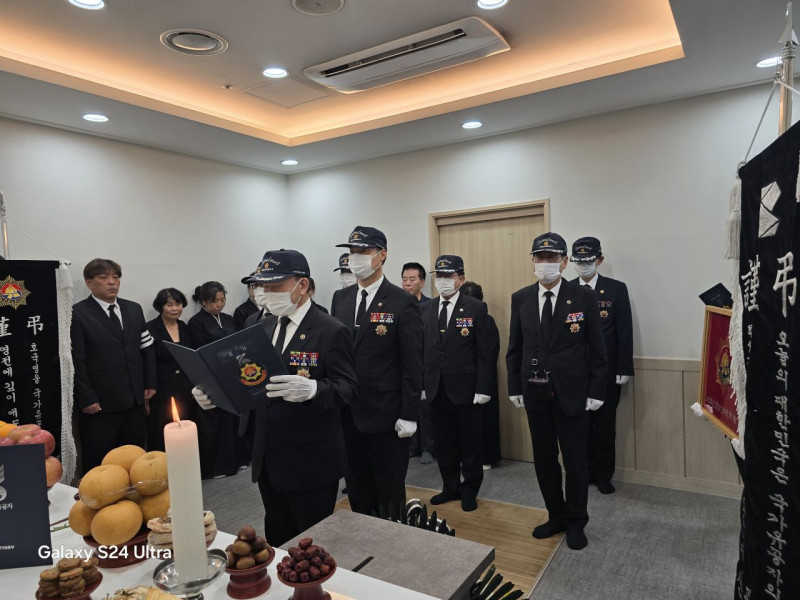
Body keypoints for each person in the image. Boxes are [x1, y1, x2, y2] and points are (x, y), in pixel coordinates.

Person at [193, 250, 357, 546]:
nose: (266, 293)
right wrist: (216, 393)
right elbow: (246, 377)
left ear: (302, 285)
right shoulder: (259, 325)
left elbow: (348, 388)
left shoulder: (330, 330)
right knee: (278, 538)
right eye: (262, 286)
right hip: (267, 454)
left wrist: (313, 389)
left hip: (310, 458)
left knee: (311, 545)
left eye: (275, 286)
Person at [506, 232, 607, 550]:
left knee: (575, 462)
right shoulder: (521, 298)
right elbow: (515, 346)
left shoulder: (583, 297)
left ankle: (577, 521)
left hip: (573, 392)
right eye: (540, 257)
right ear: (532, 261)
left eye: (552, 258)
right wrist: (514, 385)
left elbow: (597, 348)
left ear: (564, 262)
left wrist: (597, 389)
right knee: (544, 460)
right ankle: (556, 516)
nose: (545, 263)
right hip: (535, 392)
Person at [330, 226, 423, 517]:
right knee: (357, 488)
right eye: (352, 252)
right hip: (348, 413)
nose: (355, 257)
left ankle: (392, 542)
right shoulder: (341, 298)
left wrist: (409, 414)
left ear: (381, 255)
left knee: (389, 491)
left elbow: (412, 362)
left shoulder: (401, 300)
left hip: (386, 414)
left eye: (362, 251)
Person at [421, 256, 493, 511]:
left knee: (470, 443)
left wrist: (484, 388)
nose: (442, 281)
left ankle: (470, 489)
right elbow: (422, 349)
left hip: (467, 388)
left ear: (460, 279)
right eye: (438, 276)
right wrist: (422, 383)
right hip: (436, 387)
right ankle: (450, 486)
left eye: (448, 276)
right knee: (443, 442)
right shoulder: (426, 308)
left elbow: (485, 352)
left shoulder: (475, 308)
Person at [71, 258, 156, 472]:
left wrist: (150, 383)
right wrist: (87, 397)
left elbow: (146, 348)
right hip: (100, 404)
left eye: (116, 277)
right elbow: (76, 361)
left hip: (135, 400)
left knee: (135, 457)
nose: (112, 282)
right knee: (100, 461)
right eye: (103, 277)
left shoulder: (133, 309)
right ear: (89, 283)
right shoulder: (78, 313)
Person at [570, 237, 634, 495]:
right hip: (576, 372)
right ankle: (586, 472)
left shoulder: (616, 289)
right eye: (578, 261)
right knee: (580, 427)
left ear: (599, 260)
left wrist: (624, 367)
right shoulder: (567, 289)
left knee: (605, 426)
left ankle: (605, 476)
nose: (583, 265)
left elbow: (624, 330)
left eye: (588, 260)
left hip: (607, 371)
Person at [188, 281, 250, 478]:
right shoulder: (196, 322)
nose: (220, 305)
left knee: (235, 418)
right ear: (204, 301)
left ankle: (240, 458)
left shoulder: (228, 318)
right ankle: (220, 466)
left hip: (232, 373)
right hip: (212, 376)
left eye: (222, 300)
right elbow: (199, 349)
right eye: (215, 301)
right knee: (216, 423)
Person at [146, 288, 195, 451]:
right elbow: (148, 361)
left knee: (186, 427)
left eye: (178, 304)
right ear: (160, 307)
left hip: (185, 388)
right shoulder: (150, 328)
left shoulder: (184, 326)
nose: (175, 308)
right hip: (162, 390)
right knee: (163, 429)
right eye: (169, 305)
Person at [460, 281, 502, 469]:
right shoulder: (457, 319)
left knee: (485, 419)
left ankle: (486, 457)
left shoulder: (487, 319)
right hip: (462, 378)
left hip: (483, 376)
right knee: (465, 422)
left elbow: (491, 352)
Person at [402, 261, 435, 463]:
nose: (407, 283)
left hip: (426, 363)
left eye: (412, 279)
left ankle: (428, 447)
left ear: (422, 282)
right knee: (408, 404)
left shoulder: (430, 306)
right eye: (404, 279)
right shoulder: (397, 304)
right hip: (405, 365)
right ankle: (411, 445)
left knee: (426, 408)